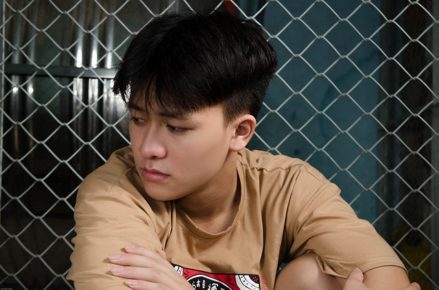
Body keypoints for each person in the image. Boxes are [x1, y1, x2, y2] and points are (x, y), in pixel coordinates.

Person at [68, 12, 421, 290]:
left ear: (239, 131)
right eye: (139, 119)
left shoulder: (286, 186)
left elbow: (386, 277)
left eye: (176, 128)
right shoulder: (114, 191)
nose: (147, 148)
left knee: (314, 278)